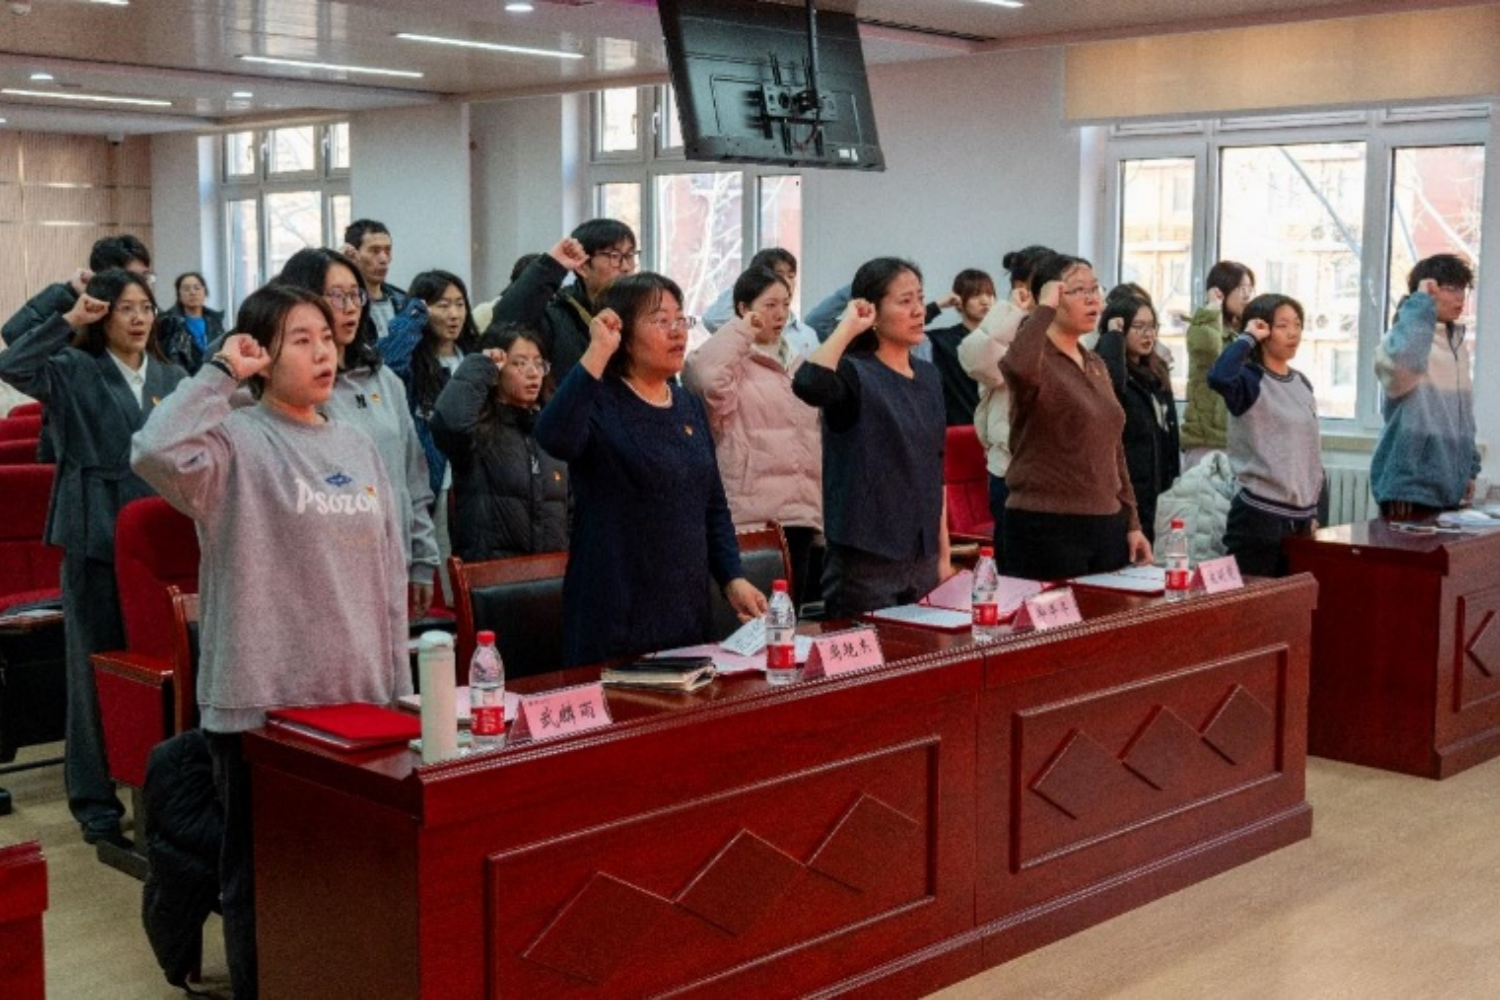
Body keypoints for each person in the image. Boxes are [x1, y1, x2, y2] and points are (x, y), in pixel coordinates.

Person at [132, 283, 411, 1000]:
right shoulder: (231, 442)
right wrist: (221, 373)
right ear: (261, 353)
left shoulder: (356, 442)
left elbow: (388, 573)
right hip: (263, 706)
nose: (323, 352)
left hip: (357, 703)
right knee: (262, 882)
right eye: (300, 340)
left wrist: (396, 689)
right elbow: (153, 449)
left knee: (344, 879)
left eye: (327, 337)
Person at [0, 268, 186, 848]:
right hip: (94, 533)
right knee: (92, 671)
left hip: (156, 541)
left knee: (155, 673)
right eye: (125, 308)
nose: (138, 318)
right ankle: (95, 802)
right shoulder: (76, 367)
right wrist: (68, 313)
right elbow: (13, 365)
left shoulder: (172, 375)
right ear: (103, 315)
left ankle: (162, 789)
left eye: (145, 307)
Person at [535, 272, 767, 667]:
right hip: (614, 609)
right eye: (661, 320)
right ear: (623, 334)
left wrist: (733, 577)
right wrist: (597, 351)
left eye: (681, 319)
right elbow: (553, 437)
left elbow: (712, 504)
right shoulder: (599, 399)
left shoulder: (687, 404)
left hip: (685, 607)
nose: (677, 331)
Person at [277, 248, 439, 618]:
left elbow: (412, 478)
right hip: (324, 575)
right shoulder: (291, 390)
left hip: (392, 562)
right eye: (337, 296)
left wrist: (423, 558)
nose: (350, 307)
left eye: (356, 295)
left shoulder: (384, 379)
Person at [792, 258, 951, 616]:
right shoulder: (854, 372)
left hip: (922, 553)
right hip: (866, 556)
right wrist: (848, 327)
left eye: (920, 298)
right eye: (905, 301)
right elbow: (809, 384)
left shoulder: (929, 376)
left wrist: (943, 555)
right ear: (872, 311)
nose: (918, 310)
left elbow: (935, 470)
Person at [999, 253, 1151, 580]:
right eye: (1078, 290)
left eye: (1095, 289)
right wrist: (1043, 309)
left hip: (1106, 523)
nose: (1092, 298)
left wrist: (1132, 523)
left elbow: (1114, 449)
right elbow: (1016, 368)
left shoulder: (1094, 361)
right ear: (1051, 297)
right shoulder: (1035, 356)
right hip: (1045, 525)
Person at [684, 265, 822, 607]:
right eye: (769, 305)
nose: (780, 314)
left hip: (800, 513)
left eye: (785, 304)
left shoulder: (798, 363)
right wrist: (742, 329)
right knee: (750, 621)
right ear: (743, 308)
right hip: (751, 517)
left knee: (788, 620)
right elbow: (703, 377)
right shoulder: (731, 363)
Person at [378, 269, 483, 597]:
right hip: (432, 483)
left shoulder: (475, 356)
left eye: (460, 304)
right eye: (442, 305)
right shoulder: (412, 363)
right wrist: (412, 318)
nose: (454, 314)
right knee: (439, 580)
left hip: (474, 479)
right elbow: (386, 362)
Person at [429, 324, 568, 561]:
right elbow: (448, 423)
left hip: (552, 576)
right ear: (497, 370)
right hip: (491, 575)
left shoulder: (552, 431)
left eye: (538, 364)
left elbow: (570, 512)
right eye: (519, 363)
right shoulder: (477, 432)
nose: (533, 373)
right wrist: (480, 366)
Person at [1207, 293, 1324, 578]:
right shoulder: (1249, 379)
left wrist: (1315, 511)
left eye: (1297, 324)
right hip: (1259, 517)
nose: (1293, 332)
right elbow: (1219, 377)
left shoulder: (1302, 382)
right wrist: (1247, 337)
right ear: (1263, 330)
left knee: (1295, 600)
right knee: (1253, 602)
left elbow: (1310, 454)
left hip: (1301, 519)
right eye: (1282, 325)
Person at [1371, 254, 1481, 519]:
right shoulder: (1401, 340)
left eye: (1462, 289)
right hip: (1408, 489)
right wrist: (1420, 303)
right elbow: (1402, 370)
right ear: (1428, 289)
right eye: (1451, 288)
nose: (1460, 297)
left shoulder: (1457, 344)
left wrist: (1469, 469)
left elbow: (1463, 417)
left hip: (1450, 488)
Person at [958, 244, 1052, 551]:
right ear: (1022, 287)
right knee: (1016, 564)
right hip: (1011, 467)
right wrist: (1012, 311)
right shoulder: (1007, 321)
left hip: (1058, 470)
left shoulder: (1062, 326)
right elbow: (977, 361)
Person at [486, 221, 627, 382]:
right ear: (583, 267)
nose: (626, 267)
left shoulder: (636, 314)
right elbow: (505, 323)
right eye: (615, 256)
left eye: (630, 255)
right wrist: (551, 265)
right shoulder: (557, 319)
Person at [1096, 295, 1181, 542]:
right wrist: (1112, 339)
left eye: (1152, 326)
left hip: (1158, 488)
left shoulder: (1156, 372)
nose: (1148, 334)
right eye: (1138, 327)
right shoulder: (1104, 368)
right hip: (1124, 490)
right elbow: (1112, 390)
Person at [2, 234, 153, 345]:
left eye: (145, 277)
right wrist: (72, 306)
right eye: (133, 278)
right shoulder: (63, 298)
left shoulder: (144, 312)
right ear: (106, 276)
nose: (142, 286)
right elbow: (13, 335)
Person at [1180, 261, 1255, 468]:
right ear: (1221, 290)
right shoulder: (1202, 326)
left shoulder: (1245, 333)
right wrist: (1213, 308)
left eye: (1250, 289)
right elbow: (1209, 349)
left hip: (1236, 438)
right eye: (1241, 289)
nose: (1247, 296)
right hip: (1207, 441)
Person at [699, 248, 820, 359]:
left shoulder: (807, 335)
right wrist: (747, 283)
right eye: (778, 275)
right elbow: (712, 320)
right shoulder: (742, 325)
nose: (786, 282)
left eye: (791, 276)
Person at [925, 268, 996, 426]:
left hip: (1000, 432)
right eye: (976, 295)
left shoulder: (1005, 339)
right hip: (961, 430)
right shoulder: (943, 340)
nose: (985, 301)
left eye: (990, 294)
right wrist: (938, 305)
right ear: (959, 301)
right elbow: (902, 327)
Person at [341, 219, 406, 339]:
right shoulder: (344, 304)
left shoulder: (403, 301)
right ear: (352, 254)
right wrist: (338, 262)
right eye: (374, 251)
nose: (383, 259)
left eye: (388, 251)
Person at [158, 272, 226, 374]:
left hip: (213, 377)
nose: (192, 293)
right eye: (186, 289)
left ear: (205, 292)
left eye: (197, 288)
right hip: (183, 378)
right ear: (179, 296)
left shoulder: (215, 321)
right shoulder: (170, 323)